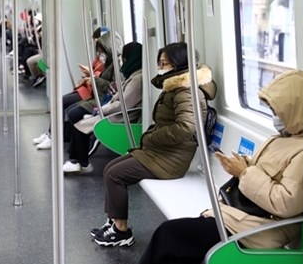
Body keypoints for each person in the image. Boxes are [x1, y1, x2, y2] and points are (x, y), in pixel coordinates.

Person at [87, 70, 303, 264]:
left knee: (171, 234)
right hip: (241, 215)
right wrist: (244, 167)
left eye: (278, 110)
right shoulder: (281, 139)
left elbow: (285, 202)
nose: (275, 116)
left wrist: (245, 172)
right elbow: (261, 175)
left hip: (262, 228)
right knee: (179, 252)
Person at [92, 43, 217, 247]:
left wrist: (152, 137)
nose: (161, 67)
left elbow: (185, 128)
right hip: (161, 153)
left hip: (171, 159)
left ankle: (121, 231)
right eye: (160, 62)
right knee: (109, 169)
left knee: (116, 175)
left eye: (164, 63)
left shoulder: (186, 91)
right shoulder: (176, 86)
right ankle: (114, 222)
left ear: (179, 63)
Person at [33, 28, 121, 151]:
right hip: (88, 89)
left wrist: (91, 77)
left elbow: (106, 83)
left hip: (91, 92)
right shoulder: (100, 59)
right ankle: (52, 134)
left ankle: (55, 136)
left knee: (64, 104)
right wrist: (88, 74)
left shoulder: (111, 62)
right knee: (61, 103)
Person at [63, 42, 144, 174]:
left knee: (80, 124)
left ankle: (82, 163)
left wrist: (101, 110)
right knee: (77, 119)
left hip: (121, 116)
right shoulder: (134, 74)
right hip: (115, 110)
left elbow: (123, 104)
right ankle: (76, 160)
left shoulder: (137, 79)